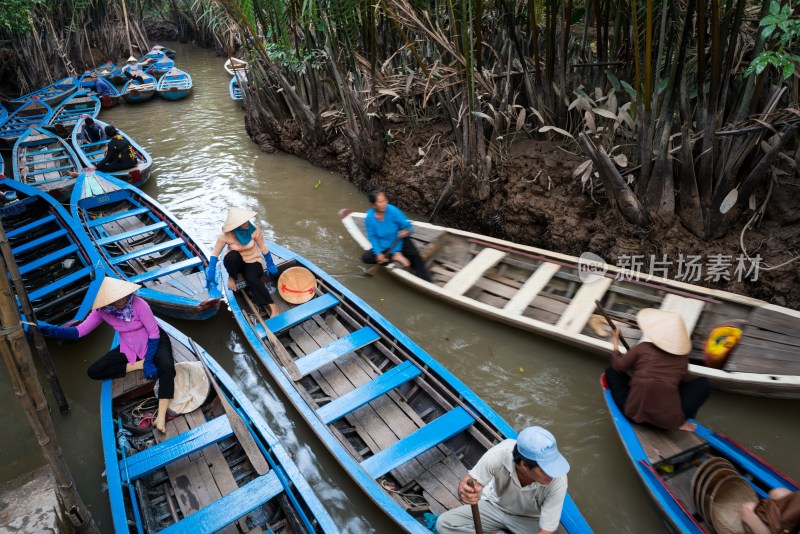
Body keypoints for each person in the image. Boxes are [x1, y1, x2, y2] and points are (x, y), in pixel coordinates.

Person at [36, 277, 176, 433]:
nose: (121, 301)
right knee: (94, 371)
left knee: (167, 367)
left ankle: (161, 415)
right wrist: (48, 329)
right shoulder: (102, 312)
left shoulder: (139, 304)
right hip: (130, 347)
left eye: (122, 296)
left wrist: (149, 360)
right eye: (115, 300)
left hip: (153, 342)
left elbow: (154, 333)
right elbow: (79, 331)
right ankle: (138, 364)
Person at [436, 426, 570, 534]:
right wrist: (466, 491)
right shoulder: (500, 454)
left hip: (529, 520)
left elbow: (546, 530)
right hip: (494, 506)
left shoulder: (558, 480)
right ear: (524, 465)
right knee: (444, 524)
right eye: (544, 470)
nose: (551, 475)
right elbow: (471, 480)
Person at [605, 308, 712, 432]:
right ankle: (682, 421)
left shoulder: (643, 347)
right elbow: (683, 382)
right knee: (705, 384)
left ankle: (638, 397)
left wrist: (615, 343)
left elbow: (619, 365)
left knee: (611, 371)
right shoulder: (682, 359)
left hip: (634, 415)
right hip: (669, 422)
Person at [207, 207, 280, 317]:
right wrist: (211, 270)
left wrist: (270, 263)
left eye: (246, 220)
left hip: (252, 260)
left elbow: (263, 247)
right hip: (236, 263)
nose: (246, 223)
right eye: (242, 222)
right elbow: (215, 253)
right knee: (231, 256)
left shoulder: (254, 230)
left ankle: (273, 308)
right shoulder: (226, 235)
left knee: (252, 279)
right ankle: (232, 277)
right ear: (235, 225)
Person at [362, 190, 431, 281]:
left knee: (416, 258)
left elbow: (409, 227)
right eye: (380, 202)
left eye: (385, 200)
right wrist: (378, 253)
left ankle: (426, 282)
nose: (384, 204)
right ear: (374, 205)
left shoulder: (392, 210)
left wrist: (406, 231)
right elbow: (372, 237)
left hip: (400, 240)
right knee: (366, 257)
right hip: (384, 246)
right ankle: (394, 256)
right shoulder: (369, 217)